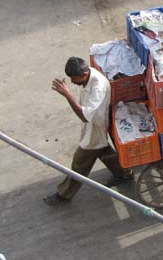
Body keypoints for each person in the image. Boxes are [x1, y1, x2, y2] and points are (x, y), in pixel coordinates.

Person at [44, 56, 132, 206]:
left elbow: (84, 117)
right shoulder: (88, 75)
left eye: (74, 79)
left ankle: (64, 194)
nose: (72, 82)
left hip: (95, 126)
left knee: (80, 162)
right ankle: (123, 174)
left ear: (84, 75)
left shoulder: (98, 87)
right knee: (103, 150)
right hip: (93, 124)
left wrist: (67, 94)